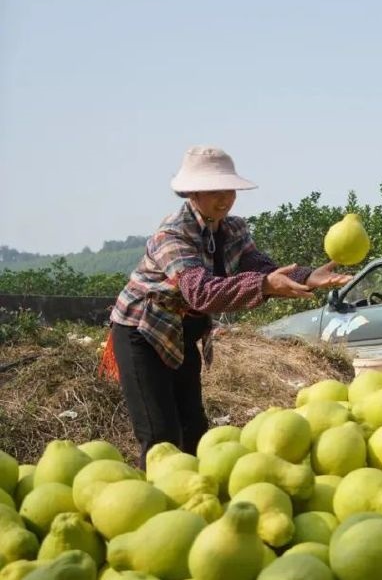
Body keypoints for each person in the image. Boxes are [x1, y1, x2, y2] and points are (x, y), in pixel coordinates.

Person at [105, 146, 352, 467]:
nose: (224, 198)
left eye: (229, 190)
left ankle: (195, 493)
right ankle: (152, 502)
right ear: (192, 192)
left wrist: (308, 276)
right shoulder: (172, 235)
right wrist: (263, 286)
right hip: (141, 331)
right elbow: (199, 292)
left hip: (180, 334)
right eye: (214, 191)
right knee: (159, 435)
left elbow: (259, 265)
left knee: (194, 429)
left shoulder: (232, 228)